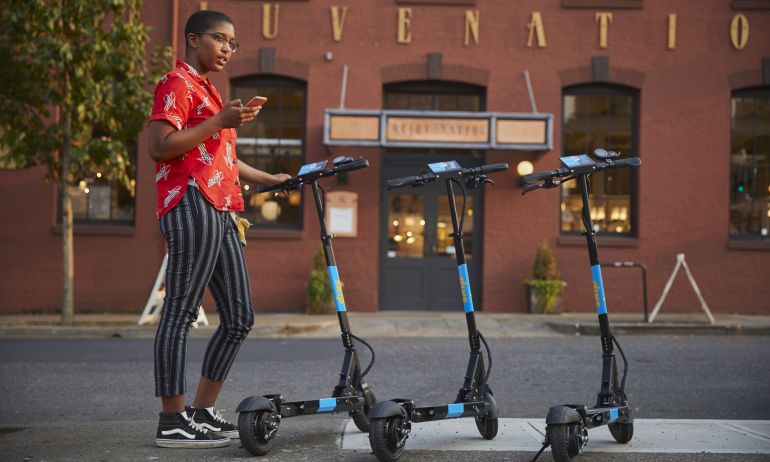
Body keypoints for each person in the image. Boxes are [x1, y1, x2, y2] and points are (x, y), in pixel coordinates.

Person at [147, 10, 291, 448]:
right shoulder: (176, 83)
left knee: (239, 317)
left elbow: (223, 160)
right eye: (220, 39)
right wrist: (217, 123)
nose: (228, 48)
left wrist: (270, 179)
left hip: (222, 208)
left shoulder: (209, 90)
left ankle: (202, 412)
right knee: (180, 311)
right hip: (190, 203)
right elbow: (159, 147)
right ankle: (172, 420)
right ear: (193, 39)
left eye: (233, 42)